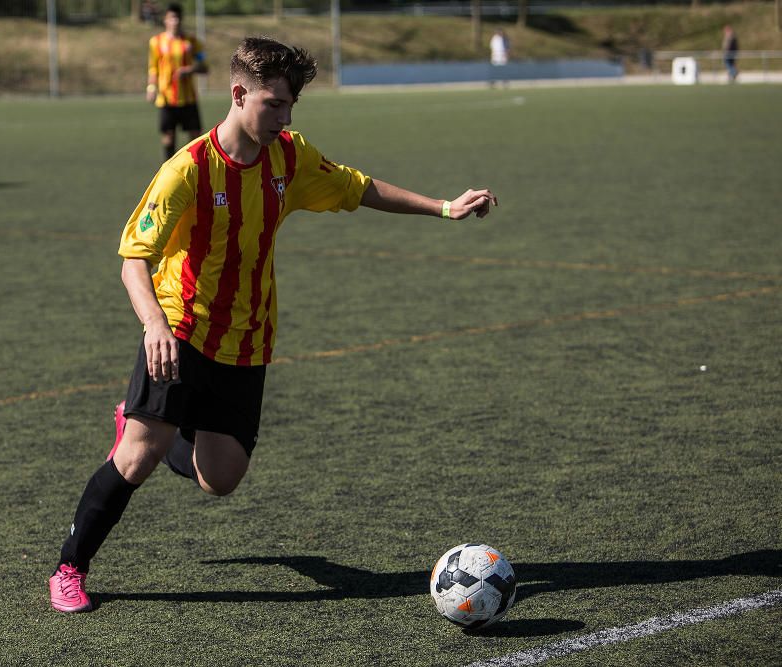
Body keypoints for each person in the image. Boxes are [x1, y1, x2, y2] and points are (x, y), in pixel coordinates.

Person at [48, 36, 498, 613]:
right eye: (274, 104)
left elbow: (358, 188)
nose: (284, 118)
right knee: (137, 456)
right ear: (239, 93)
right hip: (180, 331)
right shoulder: (187, 170)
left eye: (290, 107)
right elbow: (134, 258)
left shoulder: (289, 155)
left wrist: (442, 207)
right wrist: (154, 324)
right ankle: (70, 567)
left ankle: (156, 433)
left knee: (222, 478)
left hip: (248, 341)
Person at [147, 3, 208, 161]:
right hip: (167, 97)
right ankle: (168, 168)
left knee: (195, 136)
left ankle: (193, 167)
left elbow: (204, 67)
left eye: (178, 17)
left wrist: (189, 70)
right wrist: (151, 87)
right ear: (165, 20)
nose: (175, 21)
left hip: (189, 98)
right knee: (168, 137)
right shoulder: (156, 42)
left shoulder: (192, 42)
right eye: (172, 18)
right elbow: (153, 68)